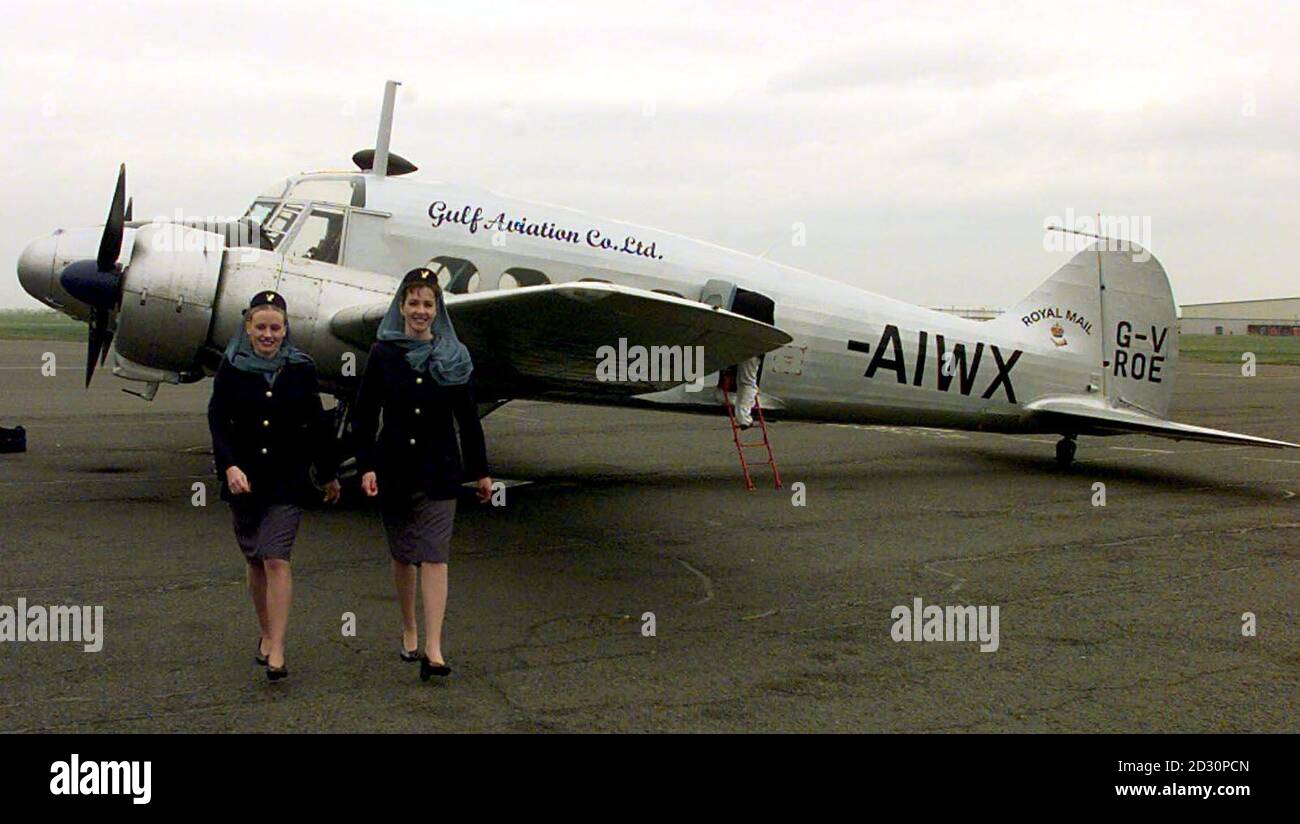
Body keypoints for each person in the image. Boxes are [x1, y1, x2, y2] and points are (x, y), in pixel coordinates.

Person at [351, 268, 492, 682]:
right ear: (401, 306)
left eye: (428, 304)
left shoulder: (454, 357)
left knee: (434, 555)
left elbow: (468, 420)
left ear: (438, 309)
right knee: (404, 556)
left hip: (439, 470)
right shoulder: (382, 353)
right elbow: (364, 416)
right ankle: (409, 628)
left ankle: (434, 647)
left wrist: (481, 472)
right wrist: (366, 466)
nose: (420, 311)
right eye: (413, 303)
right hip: (394, 468)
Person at [207, 291, 340, 681]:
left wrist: (329, 473)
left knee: (276, 558)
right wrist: (229, 466)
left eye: (275, 328)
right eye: (260, 327)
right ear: (248, 328)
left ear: (285, 330)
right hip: (245, 480)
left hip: (288, 479)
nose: (268, 335)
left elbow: (316, 423)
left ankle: (278, 647)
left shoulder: (300, 369)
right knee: (255, 560)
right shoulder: (231, 368)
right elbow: (219, 421)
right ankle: (265, 632)